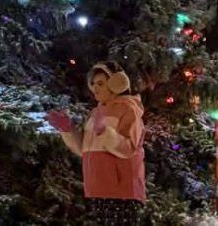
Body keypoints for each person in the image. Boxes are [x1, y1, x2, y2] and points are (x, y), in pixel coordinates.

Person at [48, 62, 146, 225]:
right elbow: (83, 150)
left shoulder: (129, 110)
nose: (95, 88)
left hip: (122, 191)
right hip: (98, 187)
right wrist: (67, 129)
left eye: (100, 83)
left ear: (117, 83)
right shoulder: (96, 113)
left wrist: (105, 133)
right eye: (92, 83)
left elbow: (129, 148)